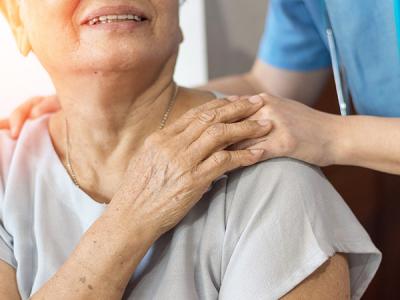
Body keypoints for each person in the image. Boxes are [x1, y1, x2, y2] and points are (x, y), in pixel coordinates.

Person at [0, 0, 381, 299]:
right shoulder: (8, 165)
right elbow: (265, 81)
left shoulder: (273, 183)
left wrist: (333, 136)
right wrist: (129, 218)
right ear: (16, 20)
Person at [4, 0, 400, 176]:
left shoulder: (279, 189)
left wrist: (331, 137)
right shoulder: (16, 169)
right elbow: (267, 83)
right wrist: (111, 105)